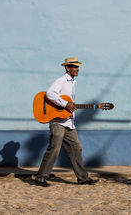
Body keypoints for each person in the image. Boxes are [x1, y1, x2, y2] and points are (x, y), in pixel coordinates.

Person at [34, 57, 97, 187]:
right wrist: (65, 104)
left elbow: (68, 104)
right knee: (54, 149)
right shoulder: (61, 80)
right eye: (75, 67)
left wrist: (68, 106)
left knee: (76, 148)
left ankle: (83, 178)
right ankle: (40, 177)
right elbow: (49, 94)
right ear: (67, 68)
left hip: (69, 122)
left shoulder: (72, 82)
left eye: (78, 66)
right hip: (57, 122)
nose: (77, 69)